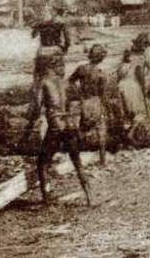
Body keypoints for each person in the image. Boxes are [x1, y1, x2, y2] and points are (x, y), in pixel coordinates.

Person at [35, 54, 92, 206]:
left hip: (55, 125)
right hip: (70, 124)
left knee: (42, 163)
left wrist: (30, 124)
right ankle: (90, 197)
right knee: (77, 162)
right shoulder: (66, 83)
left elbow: (36, 106)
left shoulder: (45, 83)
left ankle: (46, 199)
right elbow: (76, 103)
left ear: (49, 67)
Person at [68, 44, 110, 166]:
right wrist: (107, 108)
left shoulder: (81, 69)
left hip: (84, 102)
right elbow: (103, 95)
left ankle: (77, 159)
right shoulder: (101, 74)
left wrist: (79, 93)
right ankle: (102, 160)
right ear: (100, 58)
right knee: (101, 130)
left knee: (82, 129)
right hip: (96, 102)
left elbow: (70, 81)